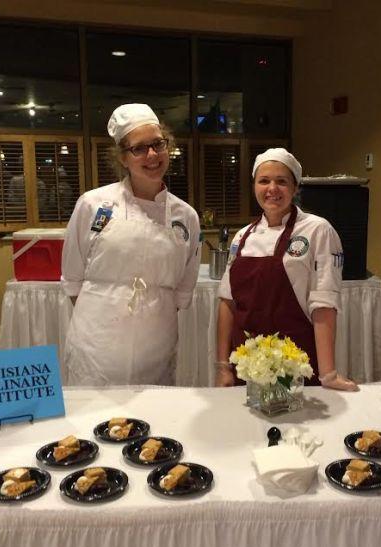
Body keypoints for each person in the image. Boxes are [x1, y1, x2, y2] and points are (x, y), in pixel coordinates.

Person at [61, 103, 200, 386]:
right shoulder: (93, 204)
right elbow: (73, 278)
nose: (152, 155)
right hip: (97, 346)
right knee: (92, 421)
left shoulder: (186, 216)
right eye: (139, 148)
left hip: (156, 345)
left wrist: (148, 315)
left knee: (152, 422)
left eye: (158, 144)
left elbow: (183, 289)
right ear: (123, 158)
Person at [215, 148, 357, 391]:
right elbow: (227, 303)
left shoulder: (317, 230)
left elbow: (324, 302)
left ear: (295, 187)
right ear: (254, 186)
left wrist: (328, 374)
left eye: (281, 181)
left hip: (295, 364)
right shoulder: (242, 236)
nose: (272, 188)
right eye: (264, 181)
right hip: (247, 363)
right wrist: (223, 367)